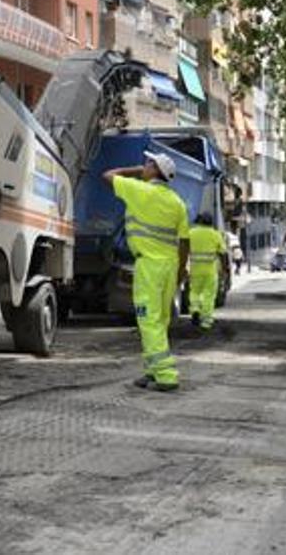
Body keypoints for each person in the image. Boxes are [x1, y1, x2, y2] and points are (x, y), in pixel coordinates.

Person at [104, 152, 191, 392]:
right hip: (170, 266)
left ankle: (165, 375)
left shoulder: (138, 190)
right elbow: (184, 241)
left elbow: (108, 176)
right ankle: (152, 370)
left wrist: (134, 169)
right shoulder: (177, 202)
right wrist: (182, 270)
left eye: (148, 163)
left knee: (148, 319)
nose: (144, 165)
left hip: (149, 267)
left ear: (155, 170)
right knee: (160, 320)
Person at [188, 212, 227, 333]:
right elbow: (222, 253)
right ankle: (206, 321)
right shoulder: (215, 235)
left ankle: (195, 309)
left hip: (195, 269)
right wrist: (225, 268)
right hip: (210, 270)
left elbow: (184, 248)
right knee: (209, 295)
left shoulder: (191, 233)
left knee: (194, 291)